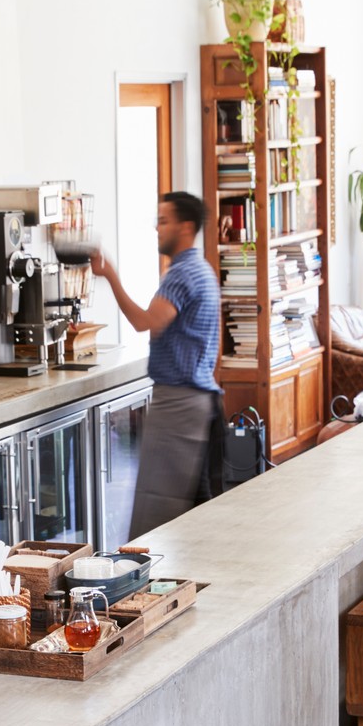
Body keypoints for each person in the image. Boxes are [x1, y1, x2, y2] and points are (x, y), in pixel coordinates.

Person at [91, 191, 222, 535]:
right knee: (196, 510)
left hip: (179, 403)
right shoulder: (202, 269)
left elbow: (147, 322)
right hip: (198, 400)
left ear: (185, 227)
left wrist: (111, 276)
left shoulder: (182, 275)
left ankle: (145, 588)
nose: (157, 228)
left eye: (163, 221)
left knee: (153, 519)